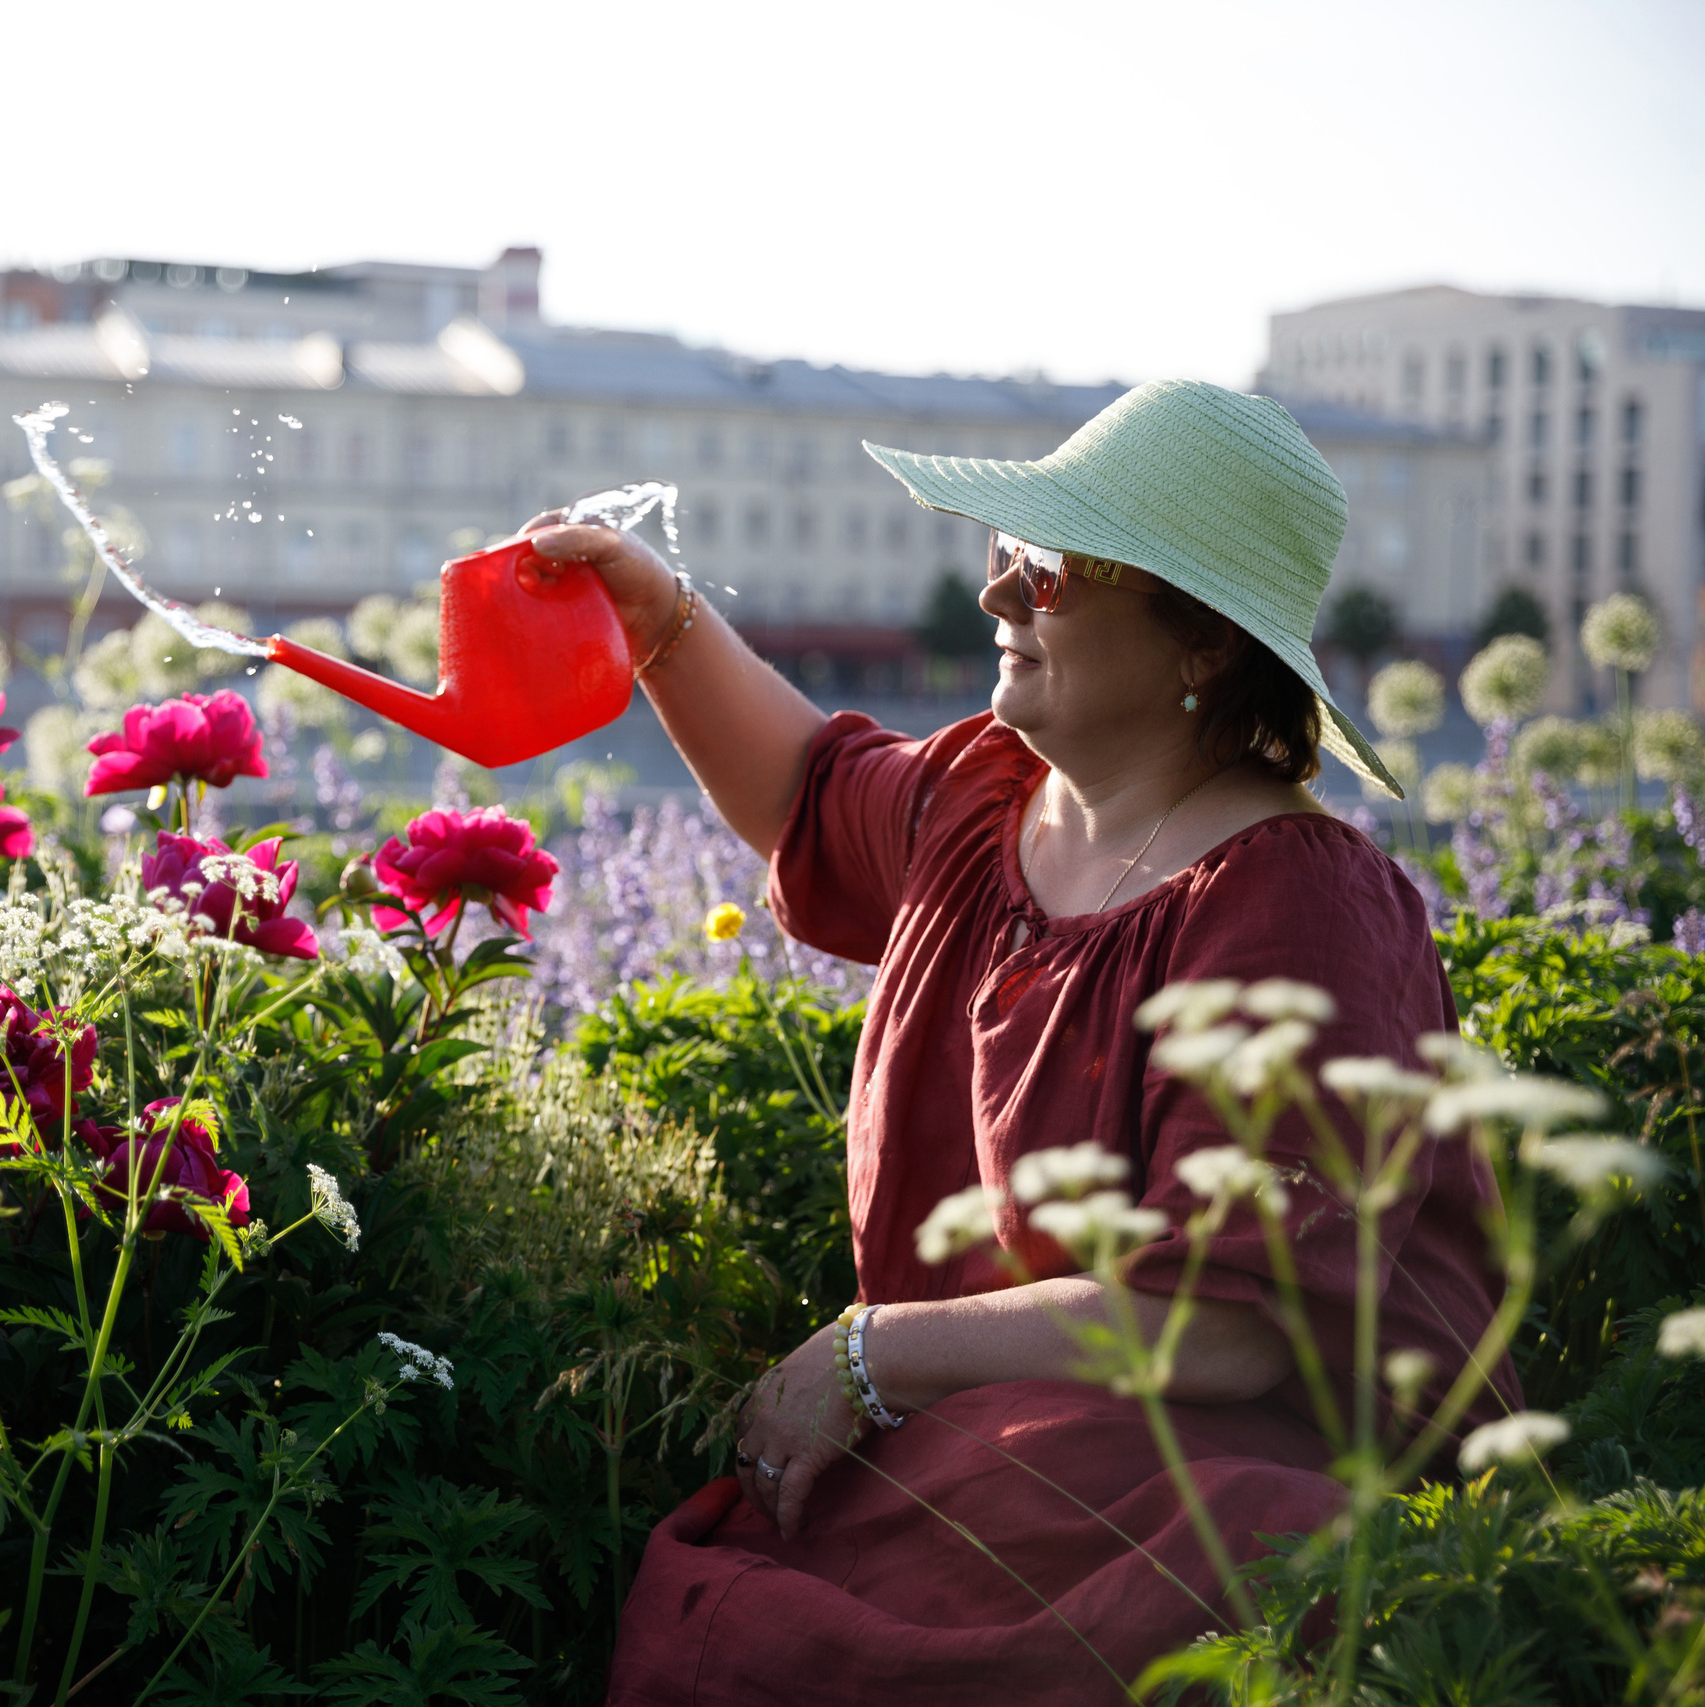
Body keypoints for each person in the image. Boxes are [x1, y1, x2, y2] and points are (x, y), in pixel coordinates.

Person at [516, 381, 1519, 1704]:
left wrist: (870, 1354)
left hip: (1217, 1458)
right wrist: (661, 626)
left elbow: (1223, 1334)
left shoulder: (1300, 903)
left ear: (1203, 646)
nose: (997, 594)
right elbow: (808, 792)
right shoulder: (991, 798)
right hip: (1004, 1428)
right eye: (1004, 552)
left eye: (1045, 567)